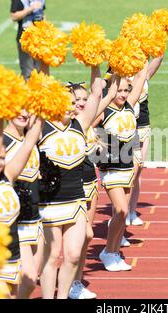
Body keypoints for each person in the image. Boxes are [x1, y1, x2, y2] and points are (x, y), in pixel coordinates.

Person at [37, 66, 103, 299]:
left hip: (76, 200)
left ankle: (63, 295)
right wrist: (43, 64)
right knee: (53, 256)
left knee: (74, 255)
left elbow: (96, 93)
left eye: (71, 102)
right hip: (50, 204)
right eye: (63, 102)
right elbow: (40, 86)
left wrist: (94, 63)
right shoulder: (41, 127)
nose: (70, 106)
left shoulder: (80, 124)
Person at [0, 116, 43, 297]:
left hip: (12, 254)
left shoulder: (8, 177)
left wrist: (43, 110)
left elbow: (28, 144)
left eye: (3, 158)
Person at [66, 76, 120, 299]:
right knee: (83, 235)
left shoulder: (89, 118)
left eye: (83, 99)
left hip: (90, 183)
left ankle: (75, 283)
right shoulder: (69, 123)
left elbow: (105, 95)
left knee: (86, 238)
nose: (80, 103)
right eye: (75, 100)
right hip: (72, 186)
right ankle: (64, 279)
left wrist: (114, 72)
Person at [96, 62, 149, 272]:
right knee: (121, 210)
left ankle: (114, 252)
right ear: (111, 90)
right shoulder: (104, 111)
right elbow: (86, 124)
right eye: (120, 90)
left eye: (127, 90)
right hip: (110, 168)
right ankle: (108, 252)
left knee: (122, 214)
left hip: (127, 167)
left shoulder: (129, 105)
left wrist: (145, 51)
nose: (124, 93)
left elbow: (142, 75)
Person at [4, 111, 45, 299]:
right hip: (17, 222)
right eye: (17, 108)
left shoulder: (29, 137)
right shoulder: (2, 141)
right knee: (28, 279)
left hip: (35, 218)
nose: (23, 113)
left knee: (31, 281)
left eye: (27, 108)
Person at [128, 56, 165, 226]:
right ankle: (121, 210)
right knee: (130, 171)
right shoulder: (119, 78)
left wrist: (159, 38)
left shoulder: (144, 75)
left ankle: (131, 211)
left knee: (139, 167)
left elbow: (158, 58)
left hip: (142, 125)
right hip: (125, 128)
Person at [10, 0, 46, 80]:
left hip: (39, 39)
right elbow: (14, 16)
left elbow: (42, 14)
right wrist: (31, 8)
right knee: (28, 73)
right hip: (25, 40)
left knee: (40, 72)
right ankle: (28, 91)